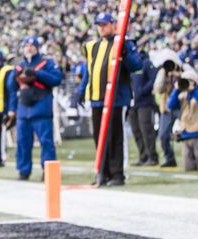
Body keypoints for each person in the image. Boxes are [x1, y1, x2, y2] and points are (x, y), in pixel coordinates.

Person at [77, 12, 141, 186]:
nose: (101, 28)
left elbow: (136, 65)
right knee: (99, 137)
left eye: (104, 24)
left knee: (116, 136)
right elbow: (89, 70)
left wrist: (125, 51)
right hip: (97, 98)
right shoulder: (92, 46)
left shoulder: (124, 43)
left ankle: (117, 173)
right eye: (99, 25)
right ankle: (102, 173)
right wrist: (82, 89)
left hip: (116, 98)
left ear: (114, 25)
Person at [8, 37, 62, 181]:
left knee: (46, 142)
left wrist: (37, 74)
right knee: (22, 142)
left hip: (42, 107)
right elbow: (12, 89)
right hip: (23, 109)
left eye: (32, 45)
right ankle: (23, 171)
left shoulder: (47, 63)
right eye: (26, 45)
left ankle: (48, 171)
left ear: (37, 48)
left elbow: (56, 79)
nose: (29, 48)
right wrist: (12, 109)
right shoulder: (19, 66)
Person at [167, 69, 198, 171]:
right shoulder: (182, 95)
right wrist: (176, 89)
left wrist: (194, 91)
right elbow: (170, 105)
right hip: (186, 134)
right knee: (189, 168)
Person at [151, 48, 184, 167]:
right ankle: (169, 158)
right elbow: (157, 89)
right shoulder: (162, 72)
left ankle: (192, 155)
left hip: (181, 105)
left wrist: (177, 75)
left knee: (189, 131)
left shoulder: (182, 69)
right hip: (166, 107)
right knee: (163, 135)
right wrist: (163, 76)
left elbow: (190, 81)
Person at [129, 53, 159, 166]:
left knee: (146, 130)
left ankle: (152, 156)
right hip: (132, 103)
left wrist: (143, 91)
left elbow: (153, 78)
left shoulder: (146, 63)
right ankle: (143, 156)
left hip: (144, 102)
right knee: (136, 130)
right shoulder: (129, 65)